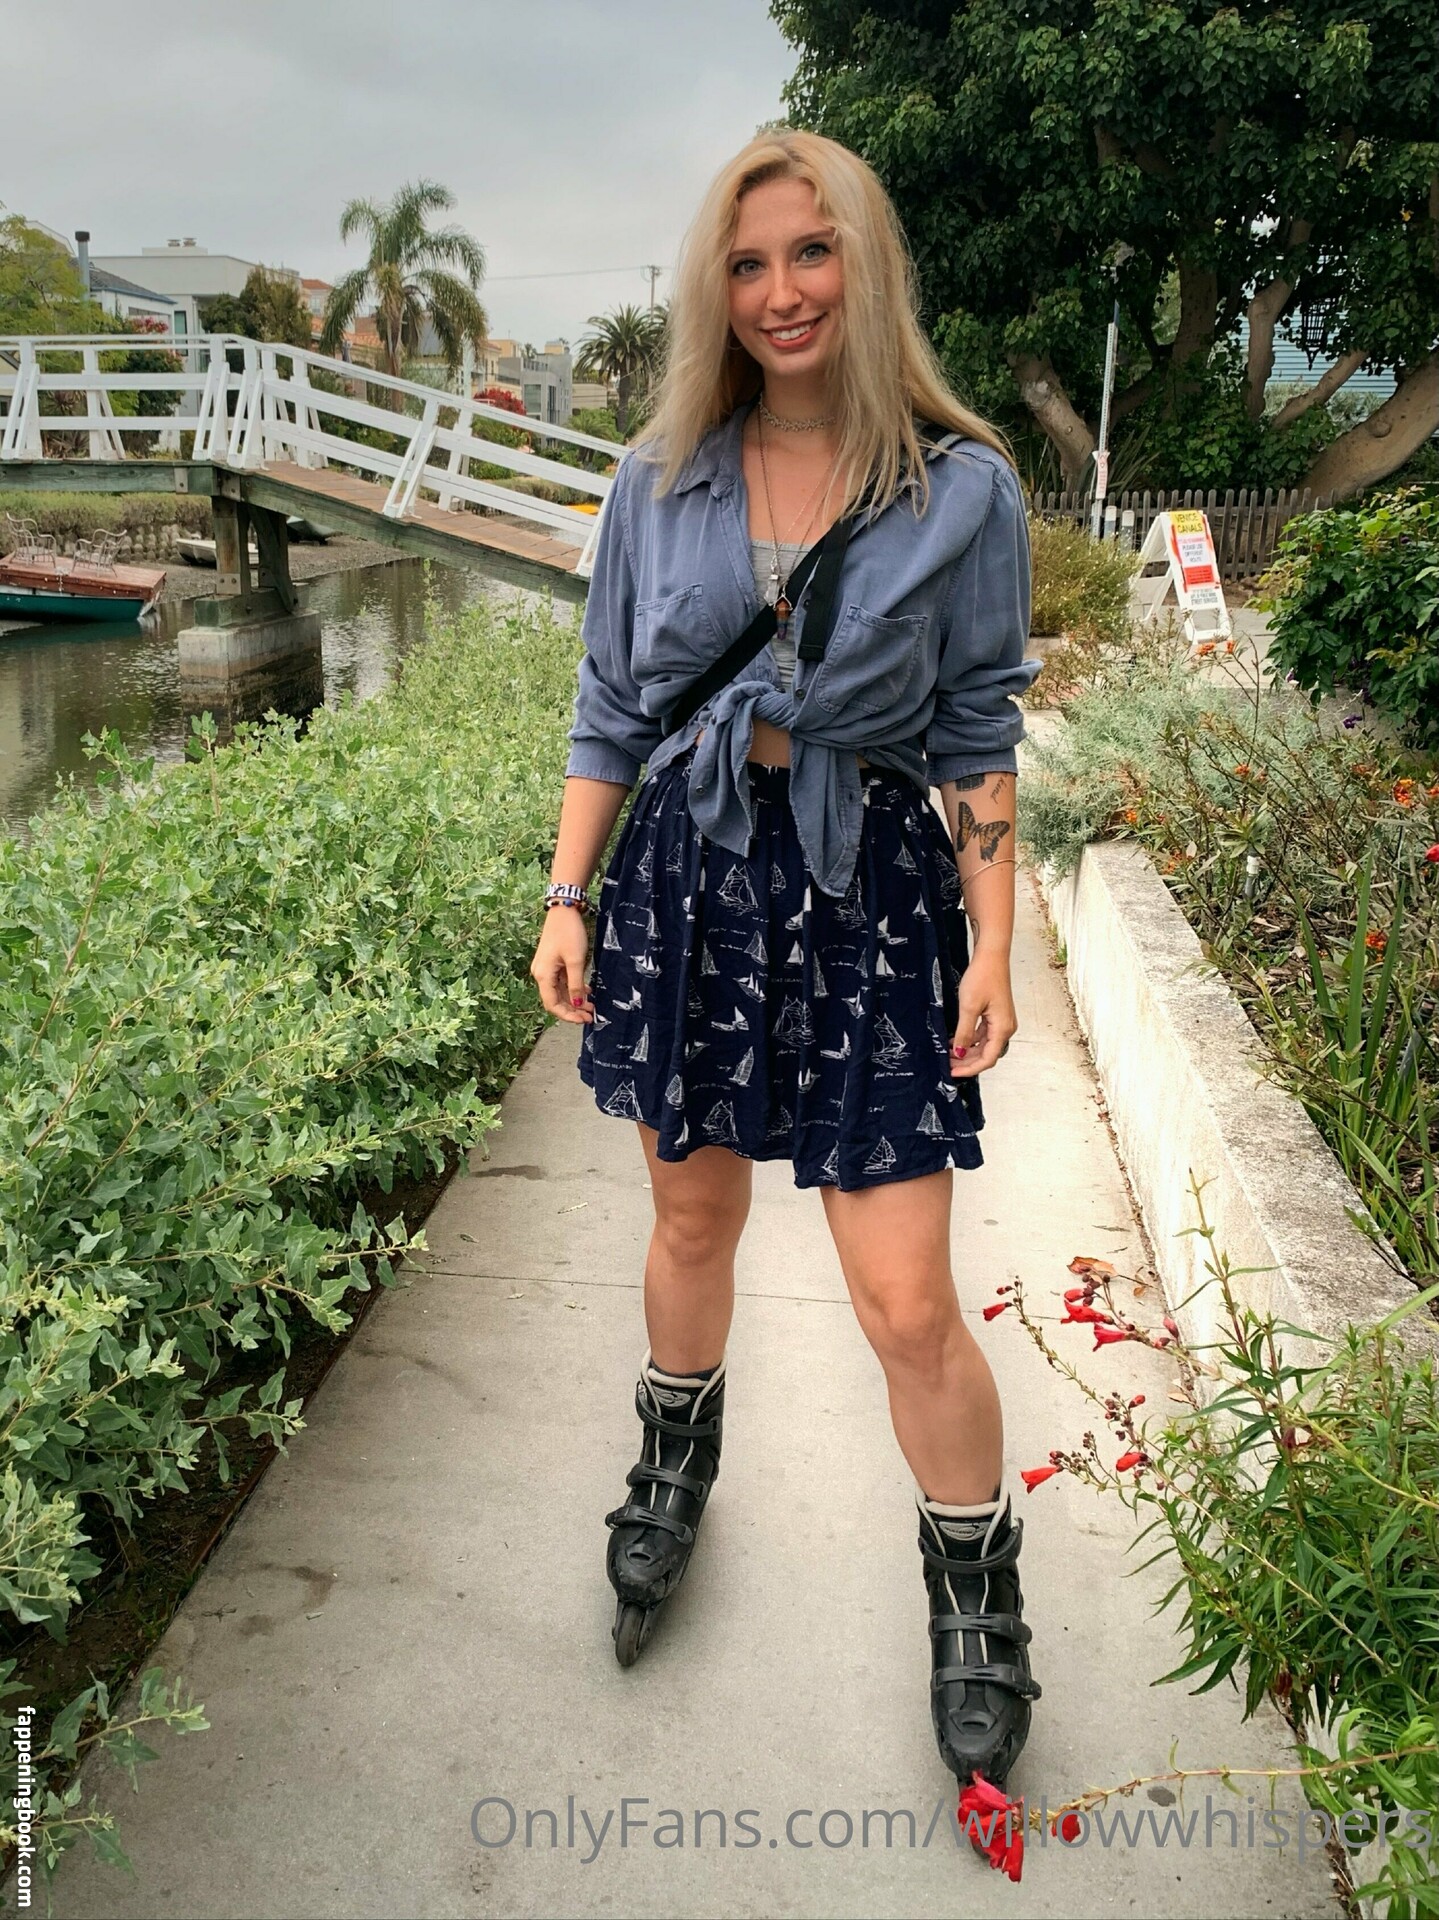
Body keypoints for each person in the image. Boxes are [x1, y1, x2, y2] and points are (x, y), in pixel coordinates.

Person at [529, 127, 1043, 1798]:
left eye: (811, 252)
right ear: (717, 290)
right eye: (747, 264)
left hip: (872, 900)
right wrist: (567, 893)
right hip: (690, 886)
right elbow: (613, 704)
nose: (781, 291)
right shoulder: (656, 479)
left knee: (906, 1300)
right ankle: (674, 1465)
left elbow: (976, 733)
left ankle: (976, 1597)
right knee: (690, 1220)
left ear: (864, 266)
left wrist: (994, 942)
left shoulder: (962, 490)